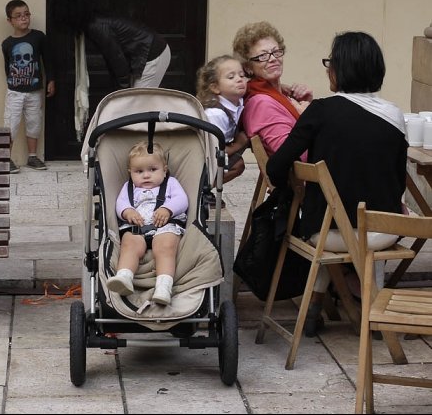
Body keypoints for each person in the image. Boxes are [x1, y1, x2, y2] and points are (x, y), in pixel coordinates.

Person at [266, 31, 408, 337]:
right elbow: (397, 183)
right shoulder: (395, 115)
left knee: (334, 217)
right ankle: (371, 306)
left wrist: (294, 188)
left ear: (341, 69)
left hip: (325, 235)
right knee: (372, 217)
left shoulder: (320, 111)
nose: (327, 69)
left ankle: (315, 304)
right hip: (382, 232)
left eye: (330, 63)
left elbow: (276, 165)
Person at [107, 141, 188, 306]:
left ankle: (163, 287)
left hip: (166, 225)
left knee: (165, 247)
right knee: (129, 244)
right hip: (137, 228)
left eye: (152, 170)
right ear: (130, 173)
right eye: (139, 171)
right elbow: (120, 203)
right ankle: (125, 277)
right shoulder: (128, 187)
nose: (146, 175)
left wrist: (167, 209)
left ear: (164, 170)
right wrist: (127, 211)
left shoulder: (171, 183)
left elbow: (182, 200)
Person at [49, 0, 171, 90]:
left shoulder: (96, 26)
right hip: (148, 53)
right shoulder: (94, 21)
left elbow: (117, 59)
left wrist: (122, 91)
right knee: (138, 104)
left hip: (153, 54)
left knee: (137, 107)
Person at [232, 21, 313, 157]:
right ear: (248, 67)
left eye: (276, 52)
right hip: (308, 175)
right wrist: (309, 116)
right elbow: (293, 155)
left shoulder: (281, 94)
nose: (273, 59)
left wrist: (307, 104)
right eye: (263, 56)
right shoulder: (261, 103)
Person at [2, 0, 55, 173]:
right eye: (18, 16)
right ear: (10, 21)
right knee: (11, 124)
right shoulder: (7, 43)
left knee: (34, 123)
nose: (23, 18)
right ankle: (5, 158)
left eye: (26, 14)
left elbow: (48, 60)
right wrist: (12, 82)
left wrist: (51, 80)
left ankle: (32, 157)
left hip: (34, 91)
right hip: (14, 92)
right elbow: (7, 66)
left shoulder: (38, 37)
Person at [196, 54, 250, 186]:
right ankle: (202, 190)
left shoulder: (238, 101)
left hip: (218, 152)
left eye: (242, 75)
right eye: (231, 77)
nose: (239, 79)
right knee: (238, 165)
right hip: (202, 160)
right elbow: (211, 152)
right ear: (215, 87)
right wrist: (239, 144)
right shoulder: (216, 114)